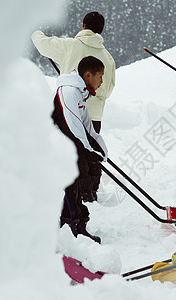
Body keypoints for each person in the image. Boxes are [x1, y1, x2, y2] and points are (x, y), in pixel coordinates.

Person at [52, 56, 108, 244]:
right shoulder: (69, 92)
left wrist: (101, 152)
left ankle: (78, 227)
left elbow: (88, 129)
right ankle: (69, 230)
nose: (101, 82)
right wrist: (88, 152)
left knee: (79, 181)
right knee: (71, 184)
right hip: (56, 144)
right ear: (88, 75)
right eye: (100, 77)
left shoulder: (81, 95)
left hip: (68, 145)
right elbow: (72, 127)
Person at [32, 11, 115, 134]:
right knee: (90, 152)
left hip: (68, 113)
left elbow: (43, 44)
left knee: (65, 152)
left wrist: (35, 32)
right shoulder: (108, 58)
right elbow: (108, 90)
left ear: (84, 26)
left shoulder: (70, 46)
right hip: (93, 118)